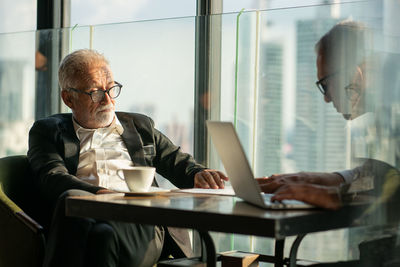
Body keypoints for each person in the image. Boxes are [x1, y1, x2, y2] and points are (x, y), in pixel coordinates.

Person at [28, 48, 228, 267]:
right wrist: (103, 197)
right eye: (95, 92)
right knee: (96, 230)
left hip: (142, 223)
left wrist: (199, 173)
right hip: (84, 221)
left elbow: (177, 163)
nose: (107, 99)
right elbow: (51, 177)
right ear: (68, 98)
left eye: (111, 89)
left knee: (76, 204)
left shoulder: (140, 127)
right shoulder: (47, 131)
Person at [257, 20, 400, 211]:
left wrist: (337, 196)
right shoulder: (387, 111)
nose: (326, 98)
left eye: (325, 84)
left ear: (354, 74)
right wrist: (313, 179)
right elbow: (382, 175)